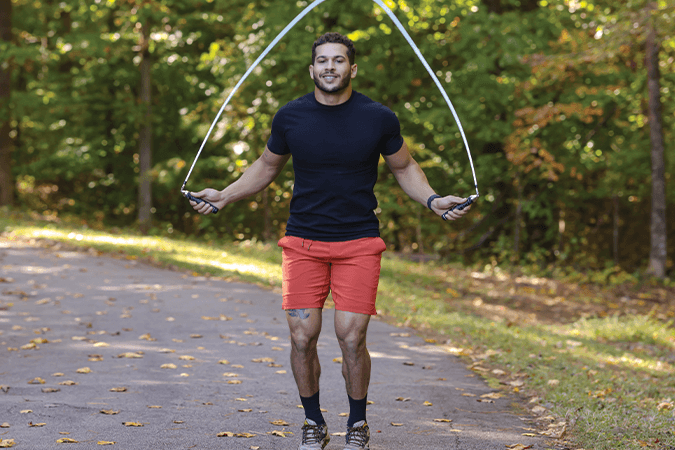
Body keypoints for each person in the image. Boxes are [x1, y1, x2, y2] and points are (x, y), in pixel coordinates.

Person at [188, 32, 472, 450]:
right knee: (302, 338)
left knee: (351, 336)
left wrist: (432, 200)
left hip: (358, 242)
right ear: (312, 69)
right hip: (302, 242)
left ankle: (357, 425)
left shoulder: (378, 118)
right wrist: (225, 195)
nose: (330, 67)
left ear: (352, 69)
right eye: (323, 61)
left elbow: (404, 166)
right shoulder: (290, 117)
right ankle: (313, 422)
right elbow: (266, 166)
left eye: (339, 61)